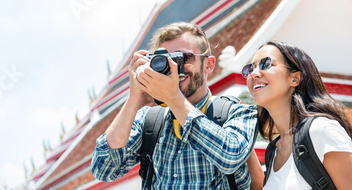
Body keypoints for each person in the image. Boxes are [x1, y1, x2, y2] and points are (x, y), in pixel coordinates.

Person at [91, 22, 260, 189]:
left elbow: (230, 157)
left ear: (208, 65)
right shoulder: (148, 120)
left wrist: (173, 98)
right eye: (166, 60)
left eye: (185, 58)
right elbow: (104, 169)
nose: (174, 68)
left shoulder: (239, 112)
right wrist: (135, 93)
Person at [242, 40, 352, 189]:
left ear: (295, 78)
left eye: (266, 64)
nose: (254, 74)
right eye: (250, 68)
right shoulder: (273, 151)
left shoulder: (321, 130)